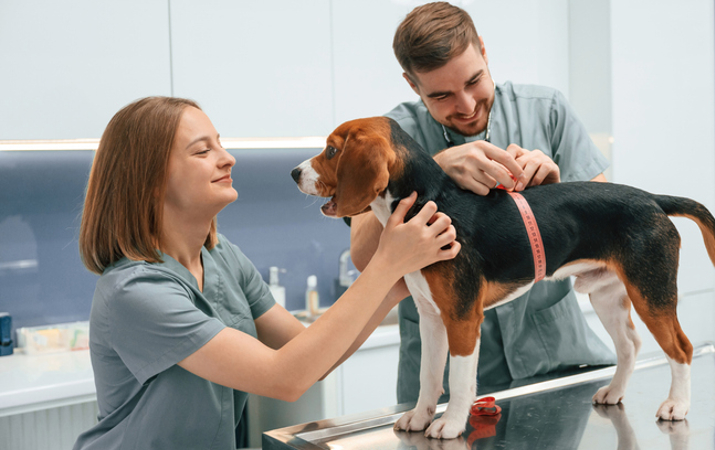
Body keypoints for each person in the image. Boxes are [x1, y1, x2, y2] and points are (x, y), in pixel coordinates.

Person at [74, 96, 460, 449]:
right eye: (203, 151)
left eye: (220, 144)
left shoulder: (223, 258)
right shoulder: (136, 291)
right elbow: (285, 377)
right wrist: (387, 263)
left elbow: (314, 357)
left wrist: (394, 285)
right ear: (152, 181)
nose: (227, 158)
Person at [349, 2, 616, 404]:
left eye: (475, 80)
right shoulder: (388, 139)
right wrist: (433, 170)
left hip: (558, 368)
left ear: (484, 51)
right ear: (412, 85)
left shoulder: (548, 112)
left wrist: (555, 196)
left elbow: (611, 228)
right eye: (442, 95)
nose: (467, 105)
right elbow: (364, 256)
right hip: (442, 393)